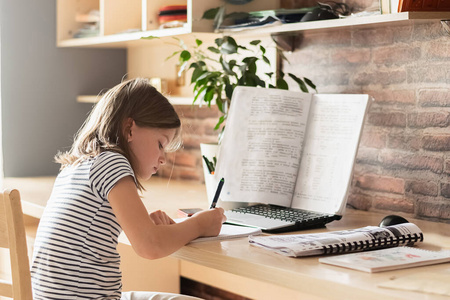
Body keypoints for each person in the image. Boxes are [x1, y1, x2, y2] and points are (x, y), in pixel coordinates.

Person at [30, 78, 226, 299]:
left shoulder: (77, 165)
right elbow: (149, 246)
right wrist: (200, 224)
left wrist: (144, 223)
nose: (163, 159)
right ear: (129, 129)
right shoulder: (112, 162)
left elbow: (93, 227)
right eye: (160, 144)